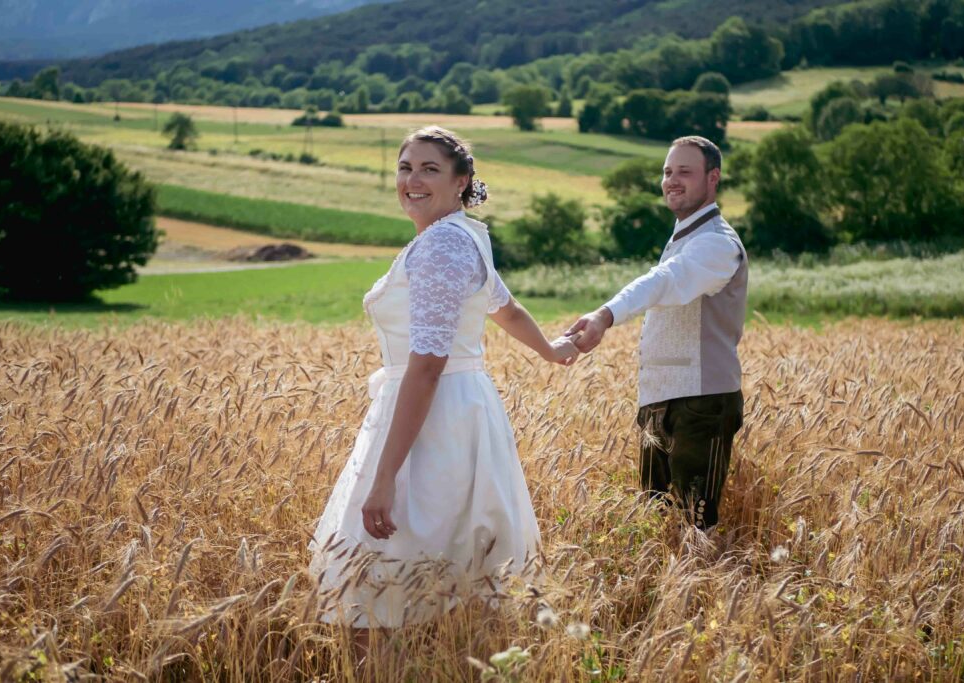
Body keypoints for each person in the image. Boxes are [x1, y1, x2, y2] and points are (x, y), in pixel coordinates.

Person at [308, 127, 578, 653]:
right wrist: (550, 348)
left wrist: (383, 478)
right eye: (405, 167)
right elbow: (504, 305)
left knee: (378, 587)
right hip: (463, 411)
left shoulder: (441, 246)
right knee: (449, 570)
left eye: (429, 169)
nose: (412, 179)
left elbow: (427, 366)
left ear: (462, 182)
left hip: (431, 420)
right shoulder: (464, 235)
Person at [566, 135, 747, 531]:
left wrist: (605, 315)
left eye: (685, 171)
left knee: (694, 526)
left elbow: (666, 281)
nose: (672, 180)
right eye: (667, 172)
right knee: (657, 525)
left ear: (712, 178)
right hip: (661, 400)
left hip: (701, 402)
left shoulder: (716, 243)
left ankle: (700, 591)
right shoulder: (685, 235)